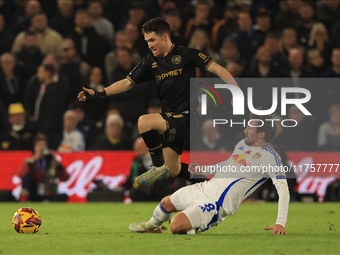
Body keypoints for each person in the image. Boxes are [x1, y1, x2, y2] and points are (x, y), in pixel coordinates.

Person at [78, 17, 240, 185]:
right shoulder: (150, 62)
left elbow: (218, 69)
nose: (149, 45)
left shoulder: (187, 54)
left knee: (144, 122)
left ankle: (157, 166)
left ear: (164, 36)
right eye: (147, 41)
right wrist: (99, 93)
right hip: (170, 120)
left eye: (152, 40)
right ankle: (212, 186)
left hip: (188, 118)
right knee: (174, 169)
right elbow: (126, 83)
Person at [129, 114, 289, 235]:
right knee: (166, 203)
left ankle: (197, 225)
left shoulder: (271, 158)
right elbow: (228, 165)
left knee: (175, 226)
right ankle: (151, 227)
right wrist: (204, 169)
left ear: (261, 135)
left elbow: (283, 190)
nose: (245, 130)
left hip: (217, 204)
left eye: (250, 128)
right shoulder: (242, 145)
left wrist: (280, 222)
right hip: (205, 188)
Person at [17, 135, 70, 202]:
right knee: (28, 176)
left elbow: (65, 178)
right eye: (39, 145)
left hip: (48, 193)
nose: (41, 148)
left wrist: (56, 163)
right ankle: (24, 199)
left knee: (64, 196)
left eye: (44, 145)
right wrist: (33, 159)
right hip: (34, 192)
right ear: (34, 147)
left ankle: (47, 201)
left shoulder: (51, 161)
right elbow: (20, 175)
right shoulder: (29, 161)